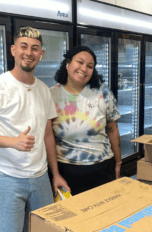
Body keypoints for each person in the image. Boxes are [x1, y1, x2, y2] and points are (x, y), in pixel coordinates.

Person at [0, 26, 69, 232]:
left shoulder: (44, 90)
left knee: (43, 230)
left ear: (41, 55)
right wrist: (13, 141)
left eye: (35, 48)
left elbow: (47, 134)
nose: (29, 52)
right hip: (5, 177)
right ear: (13, 50)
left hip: (40, 177)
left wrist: (56, 173)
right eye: (23, 46)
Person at [49, 46, 122, 195]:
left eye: (90, 66)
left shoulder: (103, 93)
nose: (84, 68)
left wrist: (119, 162)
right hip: (66, 171)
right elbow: (47, 137)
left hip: (102, 168)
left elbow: (113, 129)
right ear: (67, 63)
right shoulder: (51, 95)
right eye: (80, 62)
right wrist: (55, 174)